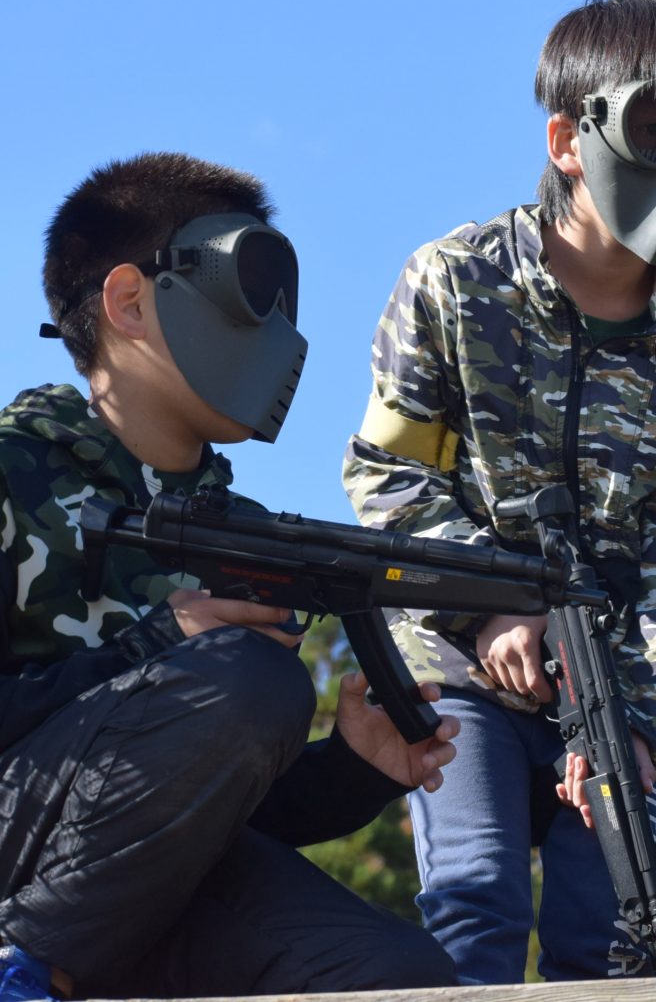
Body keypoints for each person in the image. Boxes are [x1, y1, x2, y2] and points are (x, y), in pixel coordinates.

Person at [343, 0, 656, 982]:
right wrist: (488, 608)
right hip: (453, 655)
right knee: (475, 899)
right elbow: (388, 473)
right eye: (655, 132)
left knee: (611, 933)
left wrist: (646, 723)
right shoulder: (454, 281)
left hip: (614, 679)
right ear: (569, 139)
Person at [0, 152, 461, 1001]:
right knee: (251, 678)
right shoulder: (10, 474)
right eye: (251, 286)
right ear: (128, 302)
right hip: (15, 858)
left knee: (396, 978)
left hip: (127, 909)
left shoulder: (240, 533)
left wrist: (352, 769)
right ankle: (23, 969)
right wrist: (158, 646)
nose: (279, 329)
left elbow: (183, 813)